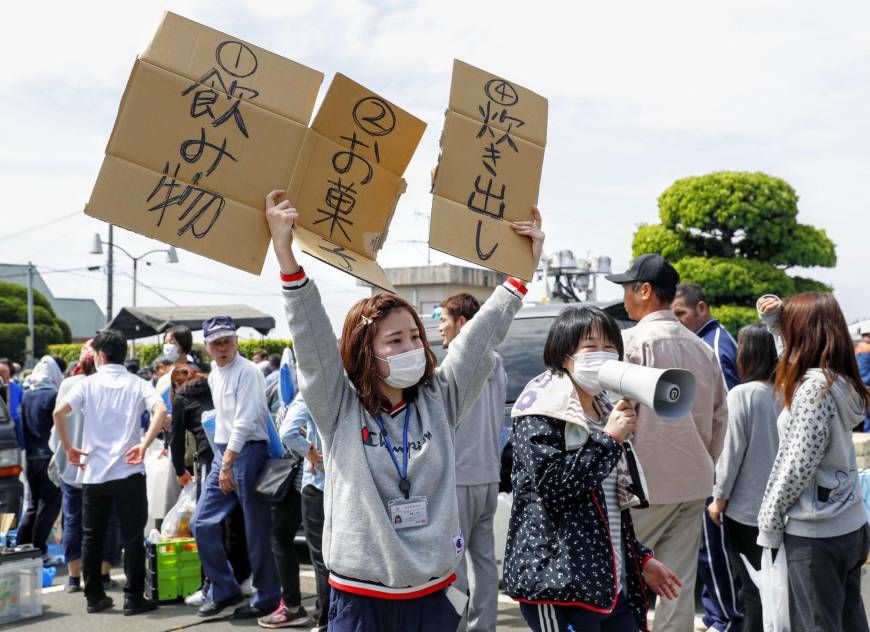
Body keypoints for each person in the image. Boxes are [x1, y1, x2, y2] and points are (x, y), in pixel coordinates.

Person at [265, 189, 544, 631]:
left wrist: (518, 277)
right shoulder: (338, 408)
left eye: (416, 336)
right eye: (395, 341)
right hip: (361, 599)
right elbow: (312, 340)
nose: (412, 347)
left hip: (432, 597)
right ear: (364, 352)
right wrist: (286, 258)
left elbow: (480, 338)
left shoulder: (440, 399)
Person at [505, 305, 682, 631]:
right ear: (563, 355)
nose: (602, 355)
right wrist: (610, 440)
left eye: (609, 346)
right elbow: (553, 486)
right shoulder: (541, 409)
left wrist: (640, 558)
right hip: (559, 587)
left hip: (608, 586)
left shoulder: (605, 412)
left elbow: (608, 509)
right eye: (590, 347)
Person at [606, 254, 728, 632]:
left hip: (644, 486)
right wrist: (702, 459)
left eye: (627, 288)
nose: (624, 298)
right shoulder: (702, 349)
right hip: (693, 483)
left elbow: (615, 416)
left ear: (644, 291)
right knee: (677, 583)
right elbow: (719, 418)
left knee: (617, 577)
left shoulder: (631, 343)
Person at [756, 293, 870, 632]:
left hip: (815, 532)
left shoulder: (812, 391)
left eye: (790, 327)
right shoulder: (840, 380)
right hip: (849, 522)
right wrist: (775, 324)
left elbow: (796, 464)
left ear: (803, 333)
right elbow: (792, 361)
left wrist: (769, 521)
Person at [53, 329, 167, 615]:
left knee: (92, 535)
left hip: (94, 472)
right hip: (129, 470)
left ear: (100, 355)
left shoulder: (87, 384)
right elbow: (160, 410)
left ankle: (94, 596)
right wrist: (144, 444)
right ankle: (133, 597)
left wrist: (69, 447)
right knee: (132, 536)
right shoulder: (137, 383)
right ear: (123, 354)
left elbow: (58, 414)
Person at [191, 315, 280, 619]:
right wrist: (224, 459)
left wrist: (227, 460)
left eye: (227, 340)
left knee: (256, 530)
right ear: (206, 347)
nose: (223, 347)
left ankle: (268, 595)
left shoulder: (249, 371)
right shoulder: (215, 373)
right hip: (224, 454)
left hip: (248, 453)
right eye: (216, 342)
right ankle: (225, 588)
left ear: (237, 340)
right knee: (200, 522)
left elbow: (245, 420)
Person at [672, 283, 742, 632]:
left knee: (714, 553)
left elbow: (729, 417)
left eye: (681, 314)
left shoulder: (713, 346)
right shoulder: (710, 341)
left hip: (714, 471)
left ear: (702, 308)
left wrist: (721, 480)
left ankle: (725, 619)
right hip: (710, 467)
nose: (677, 321)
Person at [438, 292, 505, 632]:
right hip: (488, 476)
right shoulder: (498, 363)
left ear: (463, 323)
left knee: (455, 563)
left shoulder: (455, 365)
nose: (439, 328)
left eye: (444, 320)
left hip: (459, 478)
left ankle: (457, 626)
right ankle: (485, 626)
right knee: (484, 562)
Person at [706, 324, 780, 632]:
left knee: (751, 590)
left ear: (746, 355)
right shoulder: (783, 393)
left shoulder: (742, 394)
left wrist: (718, 498)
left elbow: (730, 452)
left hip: (746, 510)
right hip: (783, 509)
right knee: (778, 587)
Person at [169, 365, 252, 607]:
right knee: (236, 521)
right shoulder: (215, 384)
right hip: (237, 455)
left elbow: (175, 439)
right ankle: (243, 577)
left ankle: (212, 585)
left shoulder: (182, 397)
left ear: (176, 385)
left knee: (205, 523)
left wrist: (178, 470)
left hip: (210, 461)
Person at [50, 342, 122, 593]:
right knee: (109, 519)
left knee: (73, 520)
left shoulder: (69, 385)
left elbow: (56, 429)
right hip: (103, 466)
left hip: (72, 466)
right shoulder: (108, 386)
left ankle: (73, 578)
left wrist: (66, 449)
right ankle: (103, 574)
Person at [257, 395, 310, 629]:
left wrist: (308, 450)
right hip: (312, 479)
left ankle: (292, 606)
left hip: (298, 480)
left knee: (280, 538)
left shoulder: (298, 396)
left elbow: (287, 435)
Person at [276, 394, 327, 630]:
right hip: (350, 482)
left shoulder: (310, 391)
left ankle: (325, 618)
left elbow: (287, 432)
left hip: (317, 482)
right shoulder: (354, 383)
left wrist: (309, 451)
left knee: (321, 557)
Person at [18, 355, 65, 559]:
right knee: (50, 504)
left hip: (30, 457)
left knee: (33, 504)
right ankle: (39, 550)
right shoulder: (54, 394)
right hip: (49, 458)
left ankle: (21, 546)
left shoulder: (26, 394)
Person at [855, 325, 870, 431]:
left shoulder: (857, 348)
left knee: (866, 416)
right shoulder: (868, 348)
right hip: (868, 384)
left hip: (860, 386)